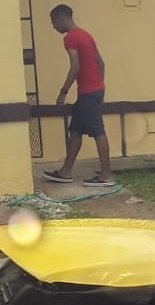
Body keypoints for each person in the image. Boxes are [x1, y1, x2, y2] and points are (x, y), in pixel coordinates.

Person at [42, 4, 115, 187]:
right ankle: (65, 171)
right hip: (92, 91)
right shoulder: (86, 35)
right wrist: (100, 87)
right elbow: (101, 63)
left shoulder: (71, 38)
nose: (54, 27)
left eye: (53, 22)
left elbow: (75, 67)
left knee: (98, 131)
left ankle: (106, 176)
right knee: (75, 130)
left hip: (89, 92)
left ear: (61, 18)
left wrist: (63, 92)